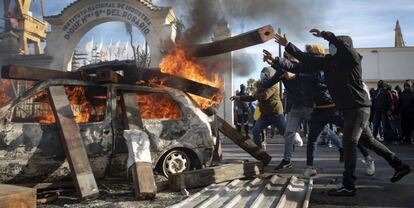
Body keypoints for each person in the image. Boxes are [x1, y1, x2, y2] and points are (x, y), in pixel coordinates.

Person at [273, 29, 411, 196]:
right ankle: (400, 166)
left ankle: (348, 185)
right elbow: (306, 59)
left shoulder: (353, 60)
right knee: (369, 142)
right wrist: (287, 46)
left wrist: (327, 35)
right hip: (348, 109)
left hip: (358, 108)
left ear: (343, 46)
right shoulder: (329, 62)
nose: (330, 48)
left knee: (349, 143)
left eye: (333, 45)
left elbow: (344, 48)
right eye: (329, 45)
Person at [264, 45, 375, 178]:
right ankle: (298, 163)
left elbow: (297, 71)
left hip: (325, 107)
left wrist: (293, 73)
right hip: (307, 108)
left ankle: (365, 157)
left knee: (346, 134)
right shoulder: (295, 68)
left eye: (308, 53)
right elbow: (286, 72)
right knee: (303, 136)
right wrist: (275, 66)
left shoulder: (316, 66)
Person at [261, 51, 313, 170]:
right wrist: (270, 68)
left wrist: (295, 75)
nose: (288, 61)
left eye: (287, 58)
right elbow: (270, 81)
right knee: (289, 134)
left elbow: (312, 77)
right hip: (295, 108)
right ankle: (287, 160)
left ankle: (341, 148)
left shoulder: (301, 67)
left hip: (308, 106)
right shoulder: (282, 70)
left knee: (323, 130)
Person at [230, 67, 286, 148]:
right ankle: (259, 150)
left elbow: (264, 96)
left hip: (276, 114)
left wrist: (255, 95)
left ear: (269, 75)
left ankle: (292, 143)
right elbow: (252, 97)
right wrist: (239, 98)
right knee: (255, 131)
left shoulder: (273, 85)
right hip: (265, 115)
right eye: (262, 73)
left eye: (265, 74)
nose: (262, 75)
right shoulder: (261, 85)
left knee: (285, 133)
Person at [399, 80, 414, 144]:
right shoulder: (402, 94)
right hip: (404, 112)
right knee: (404, 126)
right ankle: (407, 139)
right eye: (405, 86)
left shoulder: (413, 94)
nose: (406, 87)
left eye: (408, 86)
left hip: (411, 113)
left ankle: (411, 138)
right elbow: (400, 103)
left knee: (411, 127)